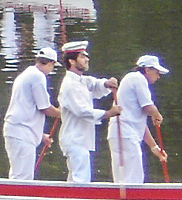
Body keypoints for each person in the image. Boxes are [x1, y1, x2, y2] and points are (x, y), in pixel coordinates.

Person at [56, 41, 120, 183]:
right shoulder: (69, 85)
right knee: (80, 180)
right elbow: (82, 111)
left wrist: (106, 83)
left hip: (81, 138)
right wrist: (108, 113)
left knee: (77, 179)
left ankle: (70, 196)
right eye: (82, 57)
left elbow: (94, 84)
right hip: (75, 139)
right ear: (72, 61)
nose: (86, 59)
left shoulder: (81, 80)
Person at [2, 47, 62, 180]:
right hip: (21, 134)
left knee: (20, 175)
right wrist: (62, 113)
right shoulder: (38, 76)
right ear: (51, 63)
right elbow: (44, 107)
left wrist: (39, 135)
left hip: (19, 131)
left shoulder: (27, 74)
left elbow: (27, 107)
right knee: (22, 178)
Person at [110, 54, 170, 184]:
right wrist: (157, 115)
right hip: (126, 134)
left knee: (123, 179)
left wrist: (154, 147)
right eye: (157, 72)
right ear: (147, 69)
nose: (158, 76)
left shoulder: (132, 79)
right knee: (133, 178)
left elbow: (140, 124)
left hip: (121, 133)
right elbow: (148, 107)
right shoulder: (138, 78)